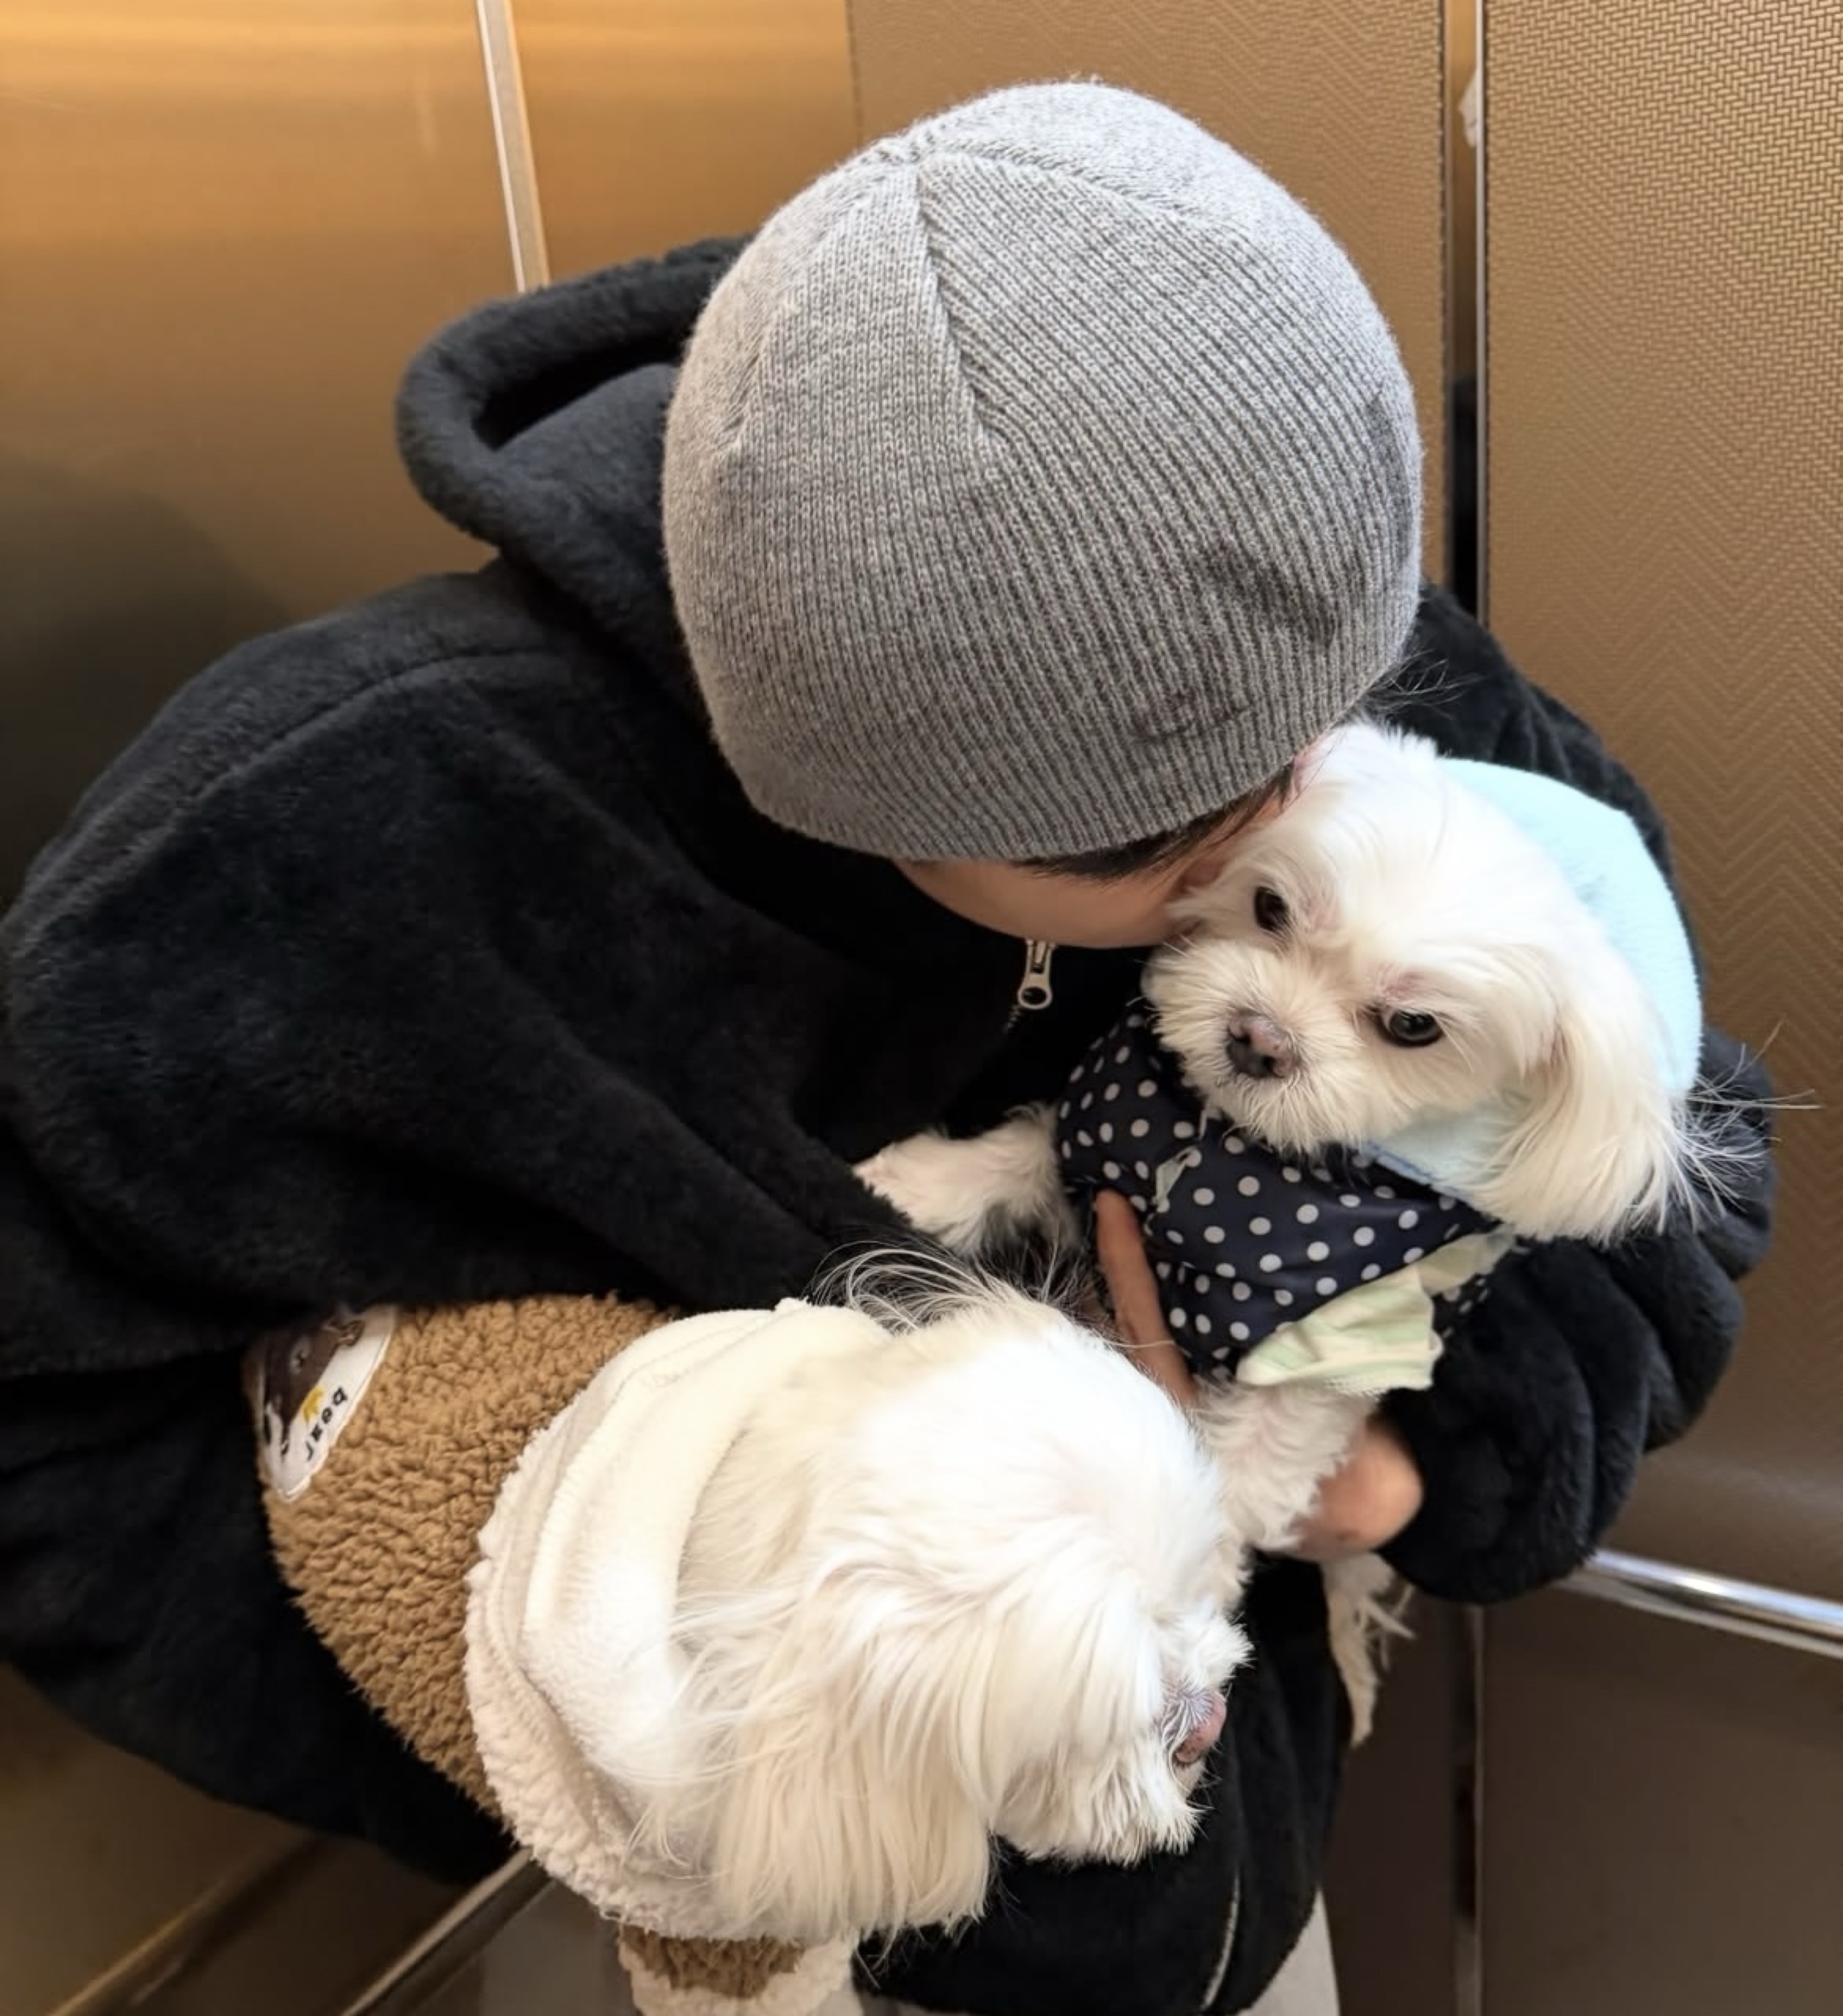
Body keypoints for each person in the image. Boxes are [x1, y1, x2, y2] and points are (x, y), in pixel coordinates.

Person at [0, 83, 1771, 2016]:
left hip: (1230, 1840)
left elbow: (1681, 1149)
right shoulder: (355, 829)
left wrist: (1419, 1471)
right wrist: (611, 1754)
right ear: (846, 797)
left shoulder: (1303, 611)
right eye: (1195, 870)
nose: (1300, 815)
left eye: (1319, 740)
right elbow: (49, 1430)